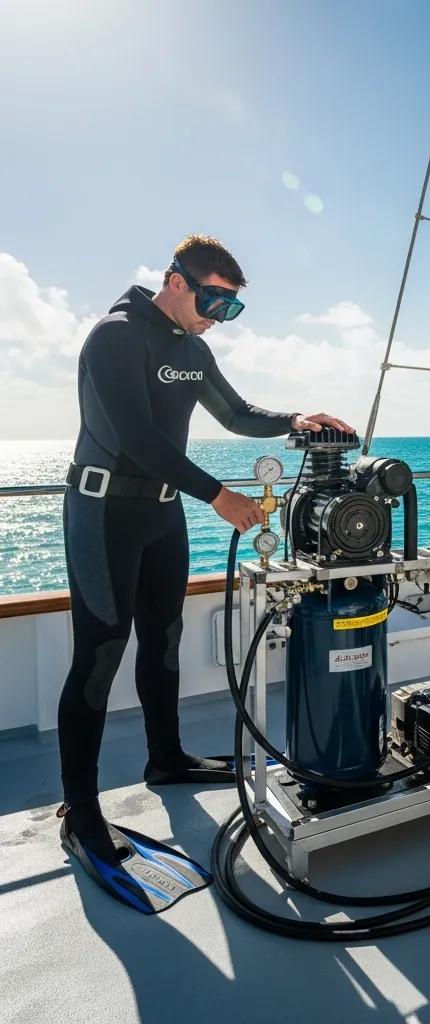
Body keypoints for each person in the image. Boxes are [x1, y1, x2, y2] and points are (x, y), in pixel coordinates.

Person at [57, 234, 353, 909]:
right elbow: (138, 437)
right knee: (100, 655)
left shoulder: (193, 349)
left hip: (162, 514)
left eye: (233, 307)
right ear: (176, 280)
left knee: (162, 638)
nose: (220, 315)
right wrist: (219, 496)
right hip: (103, 510)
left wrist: (295, 418)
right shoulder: (116, 336)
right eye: (215, 299)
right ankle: (80, 812)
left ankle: (167, 758)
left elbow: (237, 413)